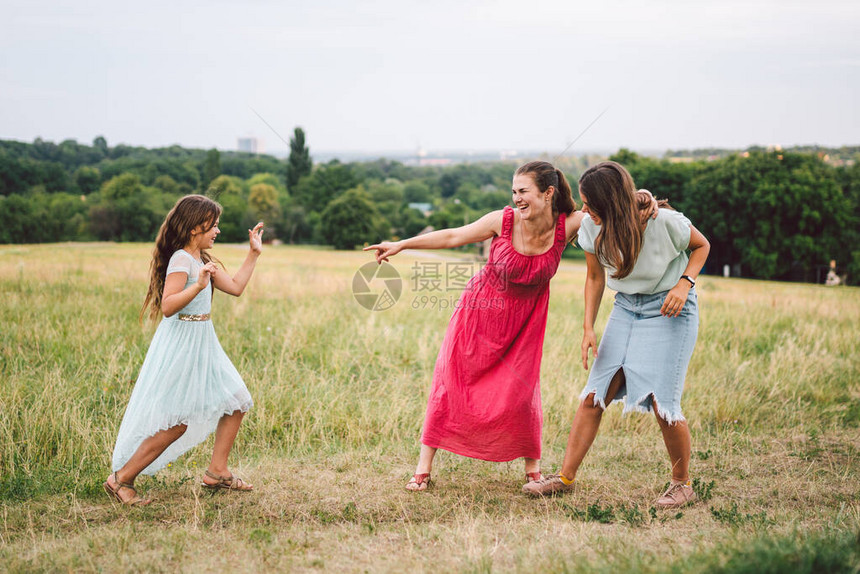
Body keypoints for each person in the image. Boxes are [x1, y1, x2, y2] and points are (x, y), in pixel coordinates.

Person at [367, 161, 655, 491]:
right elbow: (453, 236)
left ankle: (532, 467)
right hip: (479, 313)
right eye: (513, 192)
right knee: (452, 382)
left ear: (548, 193)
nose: (517, 199)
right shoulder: (502, 221)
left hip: (526, 322)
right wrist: (402, 244)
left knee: (521, 392)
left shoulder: (571, 224)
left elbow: (610, 202)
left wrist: (640, 196)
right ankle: (423, 467)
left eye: (523, 192)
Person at [523, 161, 710, 510]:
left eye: (590, 205)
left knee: (662, 403)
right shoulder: (592, 229)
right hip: (626, 307)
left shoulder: (664, 222)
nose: (584, 210)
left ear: (610, 204)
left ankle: (682, 484)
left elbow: (702, 246)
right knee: (595, 393)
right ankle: (564, 478)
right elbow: (594, 278)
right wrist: (588, 327)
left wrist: (685, 285)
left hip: (670, 308)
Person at [104, 195, 264, 506]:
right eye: (213, 225)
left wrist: (253, 254)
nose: (217, 231)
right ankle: (120, 479)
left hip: (204, 341)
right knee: (176, 422)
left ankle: (217, 472)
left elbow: (236, 287)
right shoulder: (181, 260)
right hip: (181, 344)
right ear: (195, 228)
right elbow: (168, 306)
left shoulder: (203, 261)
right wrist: (197, 286)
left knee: (237, 401)